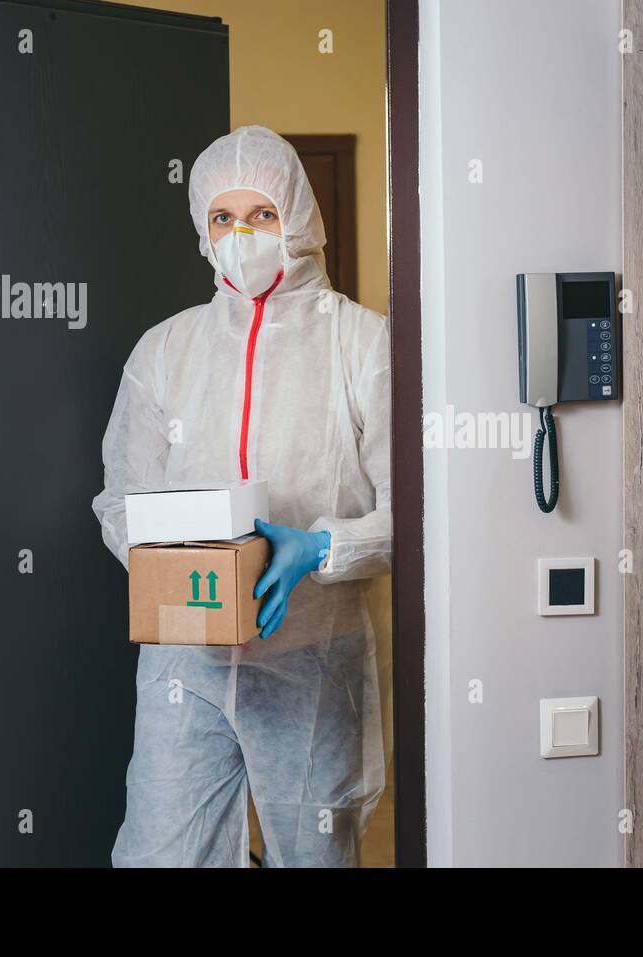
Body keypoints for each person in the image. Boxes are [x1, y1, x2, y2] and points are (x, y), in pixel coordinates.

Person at [92, 126, 390, 867]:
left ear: (298, 216)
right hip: (183, 667)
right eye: (222, 219)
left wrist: (321, 547)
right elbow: (120, 499)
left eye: (260, 214)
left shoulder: (363, 345)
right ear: (203, 229)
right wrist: (172, 569)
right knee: (163, 854)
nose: (241, 235)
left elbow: (418, 513)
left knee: (314, 854)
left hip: (311, 657)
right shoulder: (165, 350)